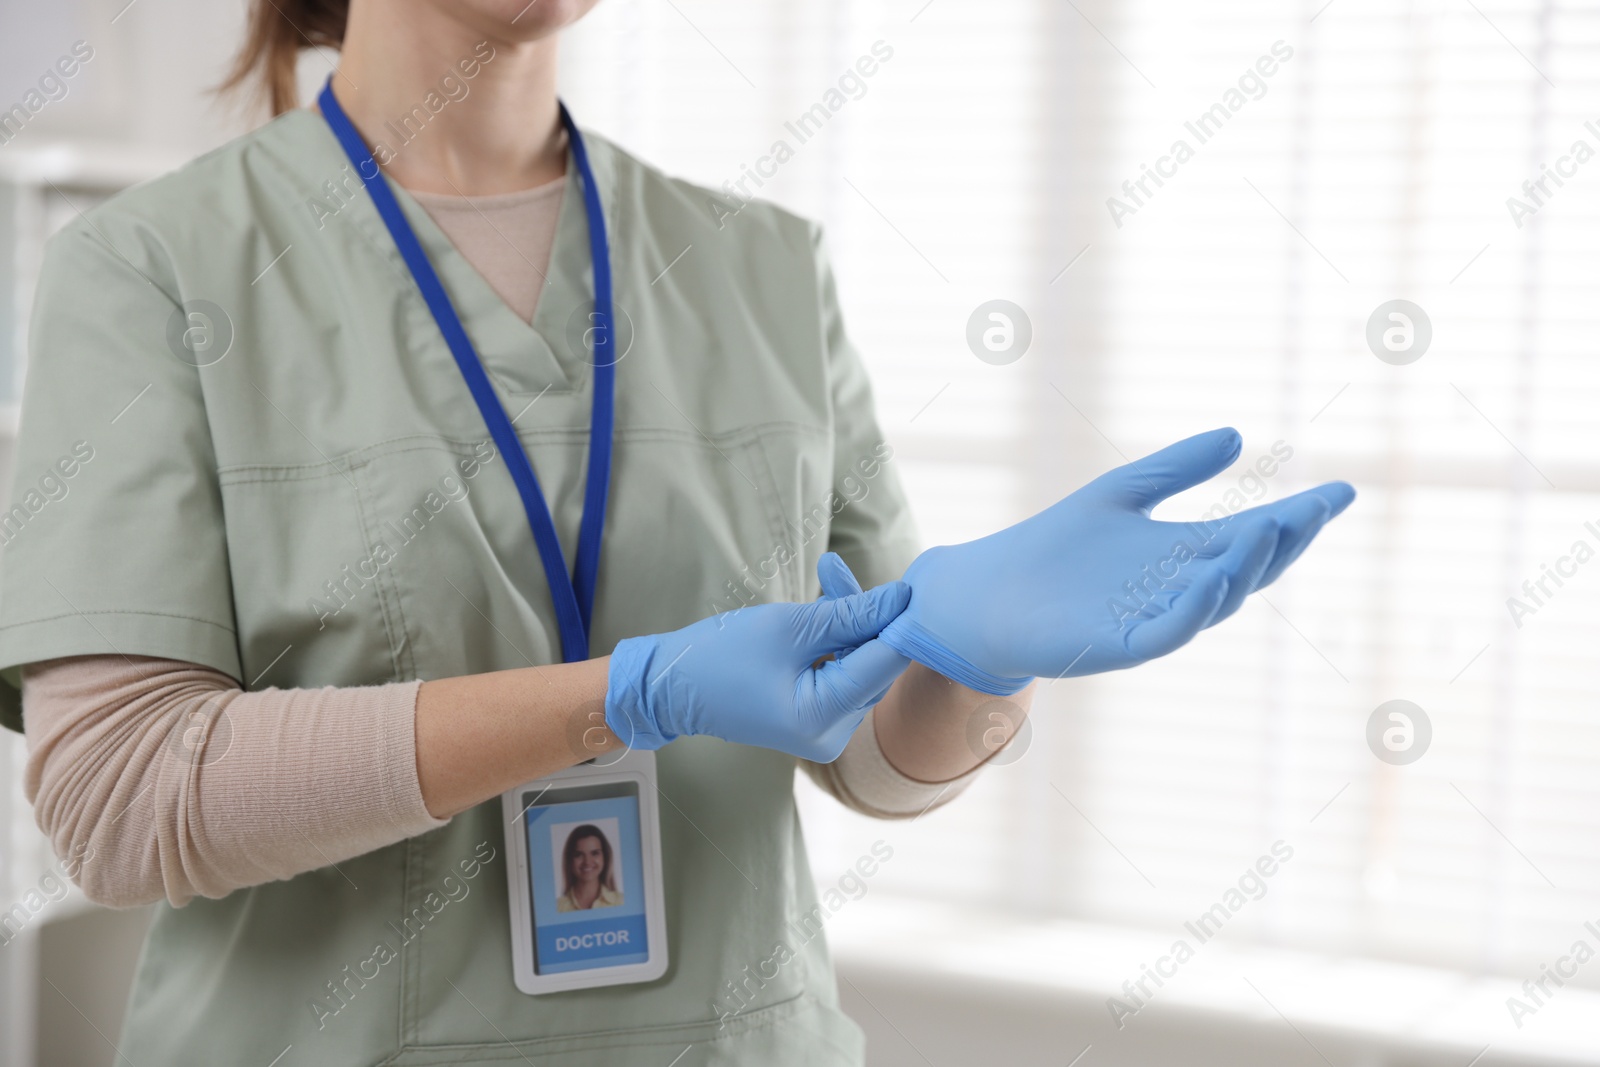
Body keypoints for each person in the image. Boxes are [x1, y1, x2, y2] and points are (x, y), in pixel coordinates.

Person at [0, 1, 1354, 1063]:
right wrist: (620, 696)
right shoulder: (155, 268)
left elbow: (872, 759)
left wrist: (979, 665)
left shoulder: (762, 264)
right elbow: (120, 798)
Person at [555, 824, 622, 912]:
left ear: (605, 857)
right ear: (569, 860)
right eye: (578, 855)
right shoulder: (557, 907)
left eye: (594, 853)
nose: (587, 862)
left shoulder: (620, 901)